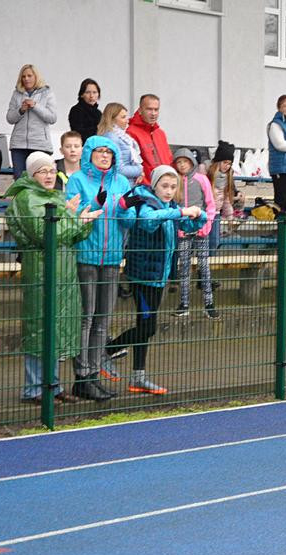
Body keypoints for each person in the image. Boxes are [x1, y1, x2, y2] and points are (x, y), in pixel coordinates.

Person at [5, 152, 100, 405]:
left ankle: (53, 385)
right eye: (42, 171)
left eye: (51, 170)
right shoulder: (26, 198)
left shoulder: (57, 197)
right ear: (31, 174)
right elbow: (44, 233)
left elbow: (71, 235)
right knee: (40, 328)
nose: (48, 175)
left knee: (58, 327)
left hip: (65, 270)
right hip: (42, 269)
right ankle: (35, 388)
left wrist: (81, 222)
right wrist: (73, 219)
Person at [107, 166, 206, 395]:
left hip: (160, 275)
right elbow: (149, 221)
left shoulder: (170, 206)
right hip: (142, 275)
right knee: (148, 327)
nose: (169, 191)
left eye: (173, 187)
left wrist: (198, 217)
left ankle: (138, 376)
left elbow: (187, 226)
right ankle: (106, 350)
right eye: (164, 186)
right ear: (155, 185)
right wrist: (181, 212)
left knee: (145, 327)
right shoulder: (146, 202)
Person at [65, 135, 133, 401]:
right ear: (90, 154)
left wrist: (130, 209)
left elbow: (126, 221)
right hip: (86, 256)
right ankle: (82, 377)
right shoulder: (78, 180)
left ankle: (94, 374)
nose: (105, 156)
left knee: (103, 320)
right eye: (100, 152)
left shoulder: (122, 181)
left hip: (113, 258)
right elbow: (74, 215)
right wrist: (96, 204)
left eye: (109, 152)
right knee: (86, 319)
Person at [170, 147, 218, 319]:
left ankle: (209, 302)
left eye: (185, 161)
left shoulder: (201, 179)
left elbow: (210, 204)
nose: (182, 165)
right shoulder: (174, 181)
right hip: (183, 230)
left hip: (201, 230)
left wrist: (207, 224)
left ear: (192, 162)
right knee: (183, 267)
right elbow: (173, 206)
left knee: (204, 266)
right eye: (179, 162)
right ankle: (184, 303)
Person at [5, 64, 57, 178]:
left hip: (40, 144)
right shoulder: (16, 93)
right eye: (23, 76)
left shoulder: (47, 93)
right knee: (20, 181)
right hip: (18, 144)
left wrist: (35, 106)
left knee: (39, 180)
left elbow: (52, 118)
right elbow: (9, 118)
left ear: (36, 77)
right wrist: (21, 110)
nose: (26, 79)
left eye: (29, 75)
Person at [126, 94, 173, 183]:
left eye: (156, 109)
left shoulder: (160, 133)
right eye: (149, 109)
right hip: (144, 188)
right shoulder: (131, 133)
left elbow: (169, 160)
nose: (153, 113)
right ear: (140, 110)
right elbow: (131, 164)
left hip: (164, 187)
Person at [98, 102, 143, 182]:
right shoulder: (112, 137)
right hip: (119, 185)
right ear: (112, 119)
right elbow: (118, 169)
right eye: (123, 117)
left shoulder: (120, 135)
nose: (127, 120)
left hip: (126, 182)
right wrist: (139, 170)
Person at [68, 78, 101, 144]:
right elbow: (78, 132)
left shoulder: (99, 113)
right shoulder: (76, 110)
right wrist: (98, 128)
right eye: (88, 92)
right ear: (82, 94)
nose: (91, 96)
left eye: (94, 92)